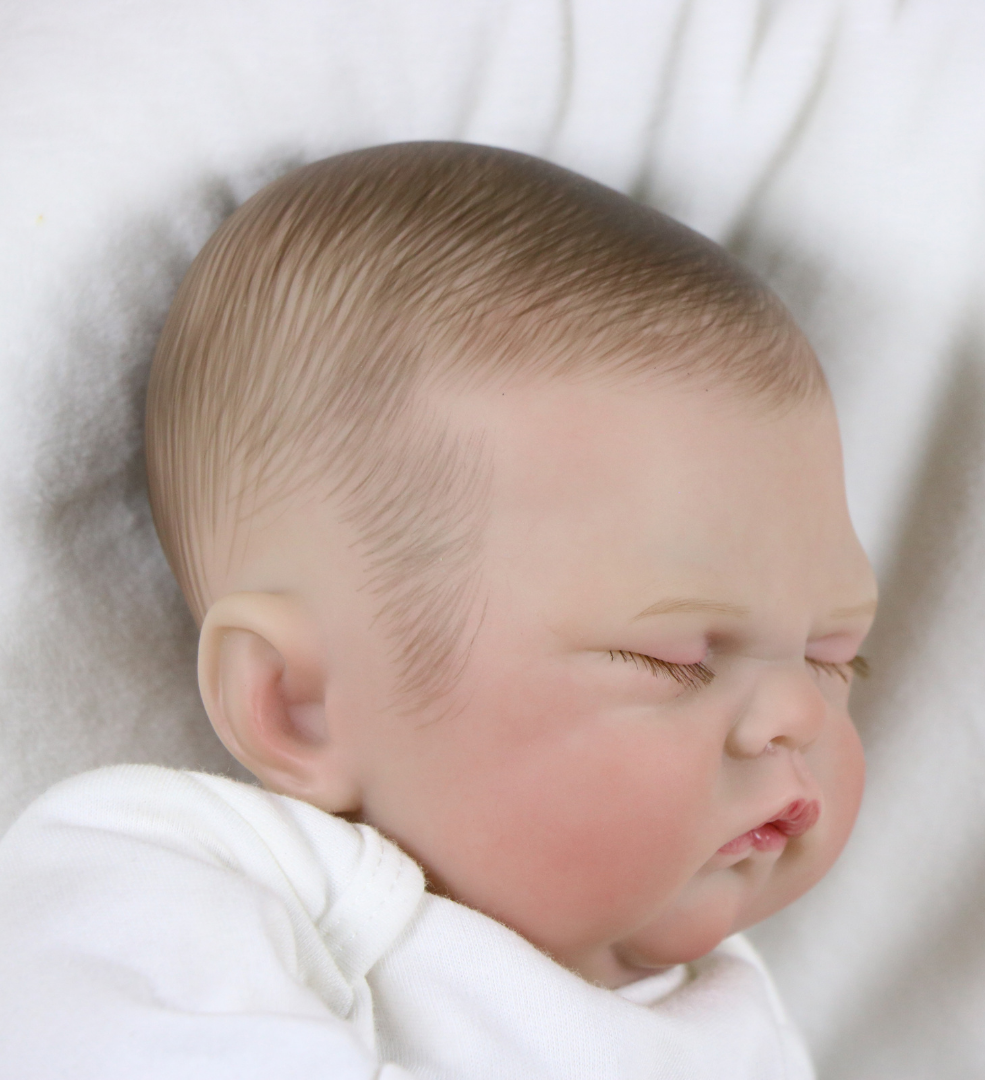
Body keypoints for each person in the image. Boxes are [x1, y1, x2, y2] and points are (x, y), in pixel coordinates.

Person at [0, 142, 877, 1079]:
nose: (799, 713)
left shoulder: (734, 1015)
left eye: (834, 656)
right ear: (299, 705)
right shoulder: (197, 877)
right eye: (679, 659)